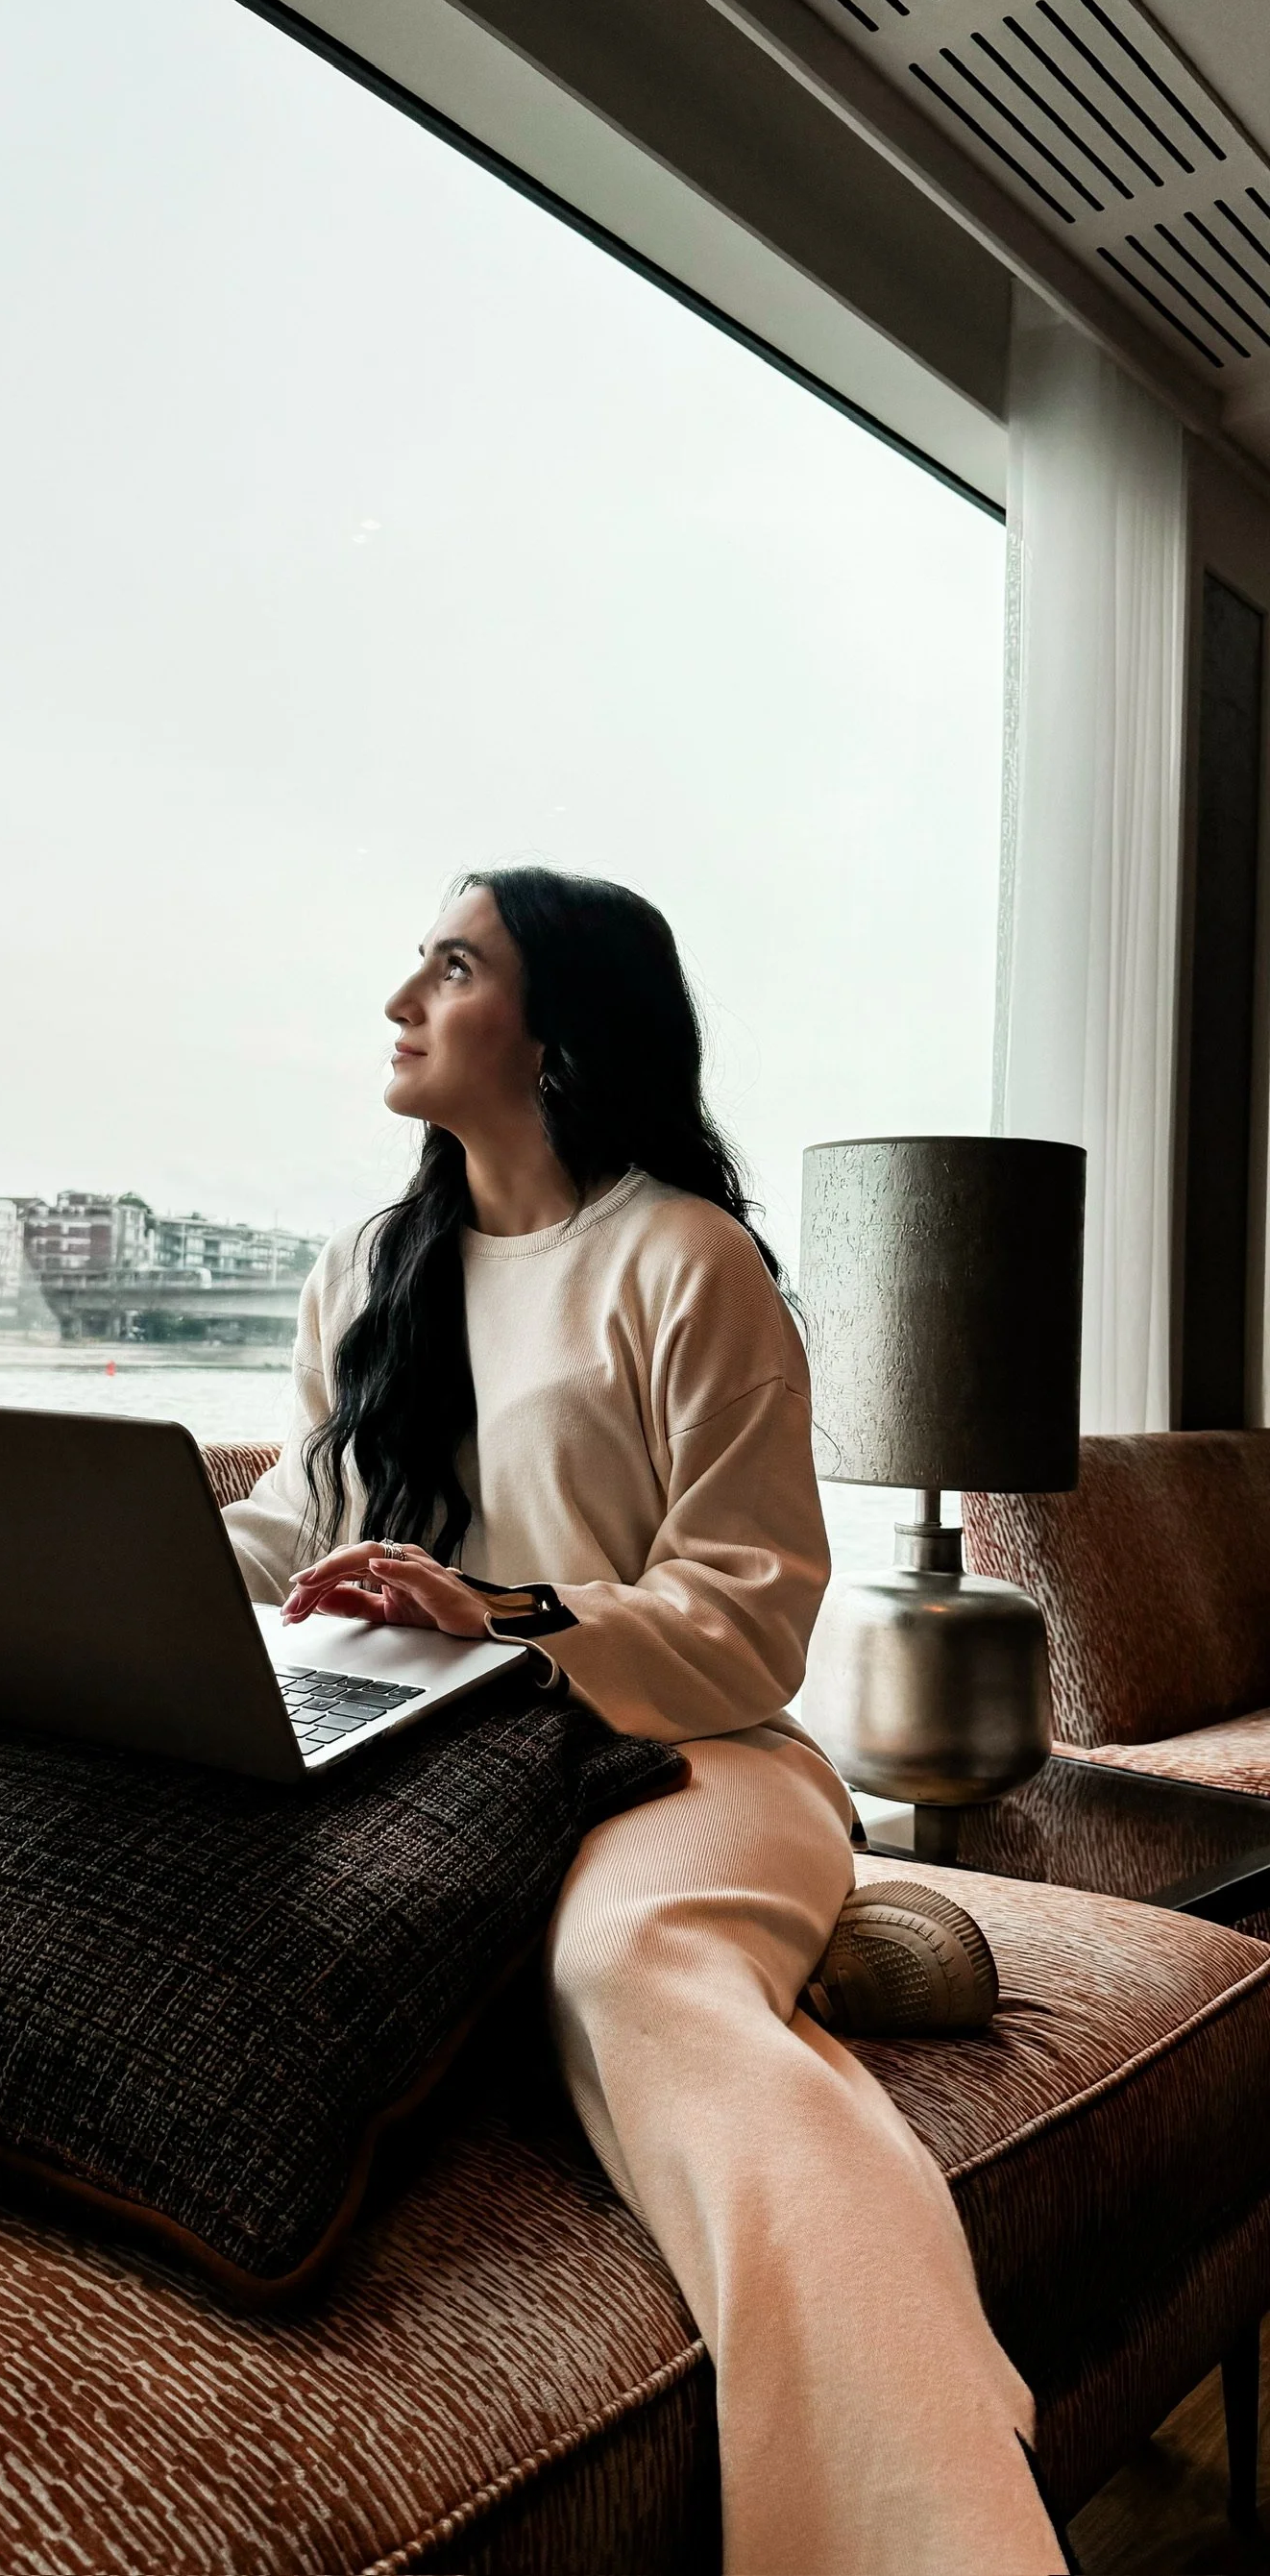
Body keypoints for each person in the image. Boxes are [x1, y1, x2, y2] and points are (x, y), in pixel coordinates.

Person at [222, 866, 1066, 2576]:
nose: (402, 999)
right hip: (428, 1760)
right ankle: (823, 1957)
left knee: (622, 1972)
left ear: (555, 1037)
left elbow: (754, 1609)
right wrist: (149, 1547)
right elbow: (294, 1537)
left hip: (692, 1754)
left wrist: (510, 1614)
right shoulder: (370, 1271)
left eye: (451, 967)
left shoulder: (687, 1262)